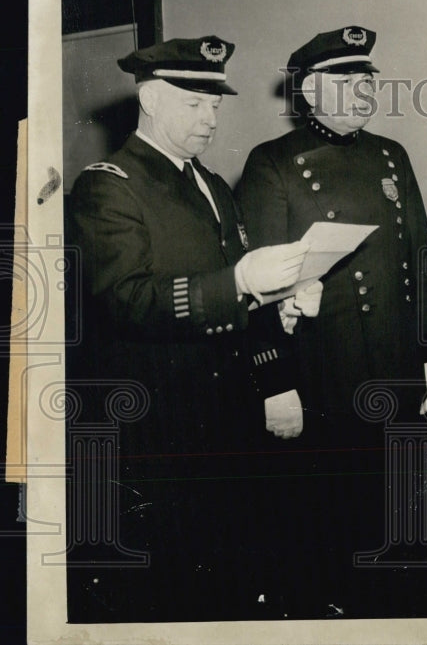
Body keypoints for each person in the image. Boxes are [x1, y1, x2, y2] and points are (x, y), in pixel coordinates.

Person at [66, 36, 317, 620]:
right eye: (194, 103)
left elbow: (234, 291)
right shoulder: (109, 185)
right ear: (150, 99)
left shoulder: (211, 183)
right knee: (175, 587)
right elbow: (124, 300)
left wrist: (278, 303)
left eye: (216, 104)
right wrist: (240, 283)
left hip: (227, 415)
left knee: (233, 571)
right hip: (161, 423)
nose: (211, 118)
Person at [235, 26, 427, 617]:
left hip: (397, 371)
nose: (363, 91)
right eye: (347, 81)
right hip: (324, 375)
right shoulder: (272, 162)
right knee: (328, 528)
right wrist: (276, 383)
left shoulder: (391, 154)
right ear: (309, 92)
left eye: (367, 81)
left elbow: (422, 259)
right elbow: (257, 285)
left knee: (399, 523)